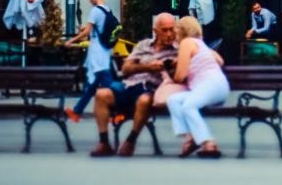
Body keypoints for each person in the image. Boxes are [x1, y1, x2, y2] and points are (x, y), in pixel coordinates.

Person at [89, 13, 178, 157]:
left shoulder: (178, 50)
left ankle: (130, 141)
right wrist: (147, 67)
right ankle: (104, 142)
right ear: (155, 31)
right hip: (129, 85)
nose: (169, 34)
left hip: (151, 88)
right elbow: (125, 69)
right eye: (165, 30)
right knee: (101, 94)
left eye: (172, 29)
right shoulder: (144, 45)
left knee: (144, 100)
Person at [165, 17, 229, 158]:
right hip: (216, 86)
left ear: (181, 30)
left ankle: (208, 143)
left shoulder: (187, 43)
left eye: (176, 29)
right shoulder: (201, 44)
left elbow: (180, 76)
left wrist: (172, 74)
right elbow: (220, 61)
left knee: (188, 106)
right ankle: (190, 137)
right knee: (174, 100)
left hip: (209, 85)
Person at [63, 0, 114, 123]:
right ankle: (77, 111)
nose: (89, 0)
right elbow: (94, 30)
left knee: (107, 83)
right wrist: (86, 30)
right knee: (93, 86)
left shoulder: (95, 11)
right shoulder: (107, 10)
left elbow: (86, 32)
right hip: (104, 50)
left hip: (97, 53)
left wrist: (70, 41)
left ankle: (116, 112)